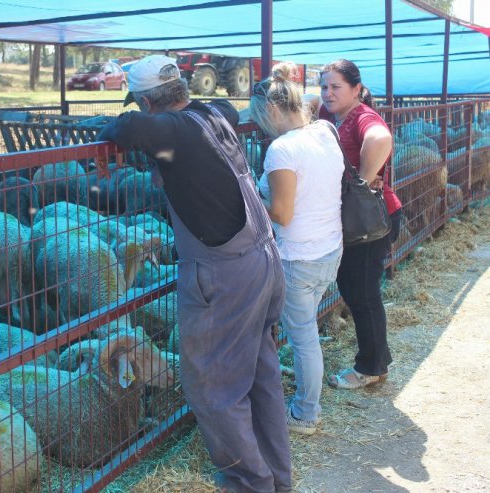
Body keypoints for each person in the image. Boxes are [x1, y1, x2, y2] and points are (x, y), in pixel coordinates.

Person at [98, 55, 291, 493]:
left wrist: (110, 130)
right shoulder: (211, 114)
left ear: (147, 103)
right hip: (261, 259)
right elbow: (221, 109)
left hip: (224, 275)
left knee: (214, 389)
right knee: (260, 377)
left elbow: (129, 129)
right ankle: (277, 480)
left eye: (140, 103)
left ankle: (251, 485)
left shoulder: (174, 129)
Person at [249, 62, 344, 435]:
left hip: (298, 256)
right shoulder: (325, 130)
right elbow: (308, 101)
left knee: (303, 338)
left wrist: (255, 197)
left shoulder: (281, 149)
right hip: (329, 249)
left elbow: (282, 215)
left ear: (272, 110)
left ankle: (306, 413)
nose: (258, 125)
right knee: (306, 331)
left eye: (259, 116)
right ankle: (305, 399)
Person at [307, 59, 403, 390]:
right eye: (324, 87)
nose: (327, 93)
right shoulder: (331, 114)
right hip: (357, 222)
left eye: (336, 87)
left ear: (356, 90)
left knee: (362, 293)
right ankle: (376, 361)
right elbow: (306, 102)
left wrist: (361, 182)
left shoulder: (363, 117)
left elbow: (380, 138)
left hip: (372, 220)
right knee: (355, 289)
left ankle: (371, 367)